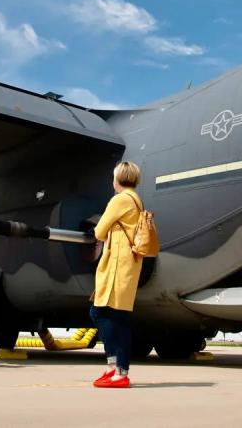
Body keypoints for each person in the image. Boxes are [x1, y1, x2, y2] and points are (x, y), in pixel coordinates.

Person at [90, 161, 147, 389]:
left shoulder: (120, 199)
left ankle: (118, 370)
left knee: (101, 313)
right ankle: (115, 368)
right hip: (127, 266)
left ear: (118, 179)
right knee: (116, 317)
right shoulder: (136, 199)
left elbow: (99, 230)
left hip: (117, 267)